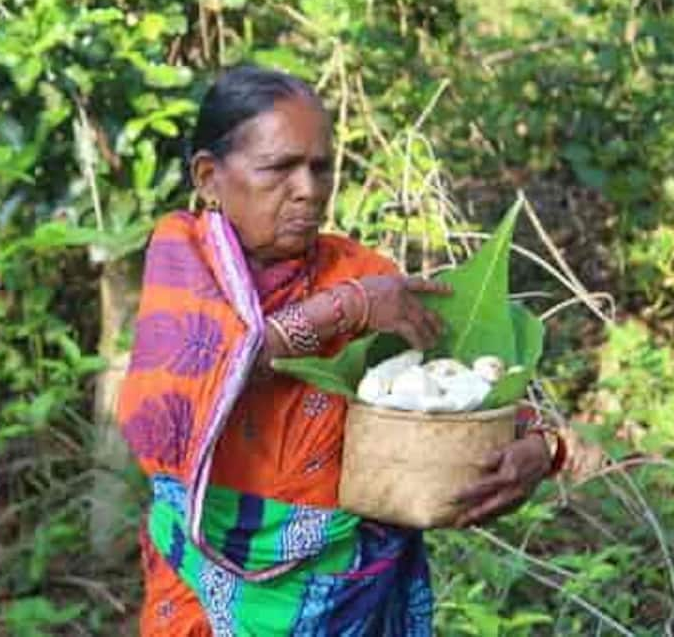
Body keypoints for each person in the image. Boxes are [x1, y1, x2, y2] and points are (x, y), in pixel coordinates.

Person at [116, 65, 561, 636]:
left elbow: (458, 389)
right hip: (201, 591)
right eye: (279, 168)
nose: (308, 190)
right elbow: (201, 382)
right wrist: (343, 311)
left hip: (349, 595)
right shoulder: (186, 259)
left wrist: (535, 450)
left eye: (321, 167)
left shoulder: (364, 277)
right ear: (209, 177)